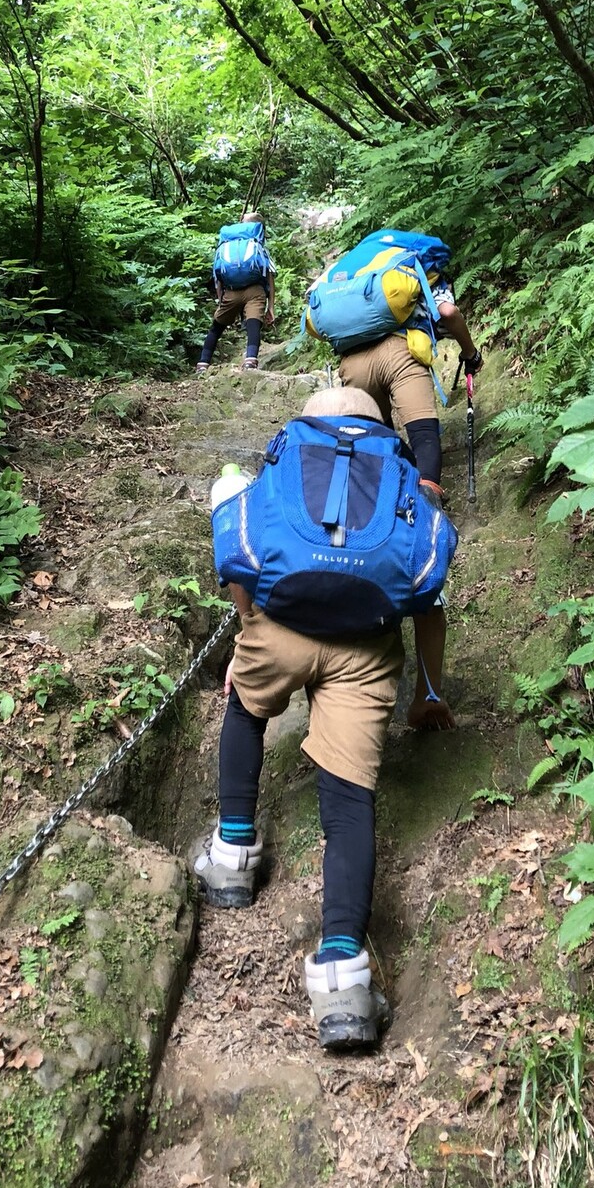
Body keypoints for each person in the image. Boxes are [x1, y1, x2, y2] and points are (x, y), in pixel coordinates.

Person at [194, 386, 454, 1052]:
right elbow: (428, 598)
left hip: (279, 629)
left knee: (245, 709)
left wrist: (248, 633)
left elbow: (239, 548)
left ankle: (231, 855)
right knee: (347, 797)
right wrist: (427, 692)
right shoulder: (397, 479)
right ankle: (342, 979)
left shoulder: (287, 464)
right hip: (365, 648)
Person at [332, 251, 482, 732]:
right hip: (401, 353)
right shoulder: (423, 269)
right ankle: (424, 522)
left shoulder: (360, 276)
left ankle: (366, 521)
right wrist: (470, 352)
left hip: (353, 364)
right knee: (423, 438)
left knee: (368, 449)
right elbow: (448, 313)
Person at [196, 211, 276, 374]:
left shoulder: (227, 243)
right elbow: (270, 278)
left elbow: (218, 275)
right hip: (255, 291)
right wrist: (271, 307)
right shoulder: (258, 245)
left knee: (216, 328)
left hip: (231, 292)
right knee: (254, 324)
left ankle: (203, 363)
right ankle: (251, 361)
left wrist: (221, 300)